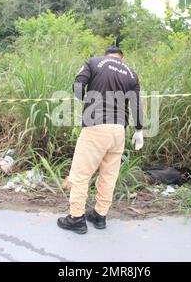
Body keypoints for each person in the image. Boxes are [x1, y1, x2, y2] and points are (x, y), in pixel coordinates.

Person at [57, 46, 144, 234]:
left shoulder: (94, 62)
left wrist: (87, 100)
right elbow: (137, 104)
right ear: (122, 58)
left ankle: (76, 218)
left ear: (106, 56)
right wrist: (139, 129)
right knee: (109, 175)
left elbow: (78, 85)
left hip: (96, 127)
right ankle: (100, 215)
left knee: (80, 174)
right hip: (118, 130)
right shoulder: (131, 73)